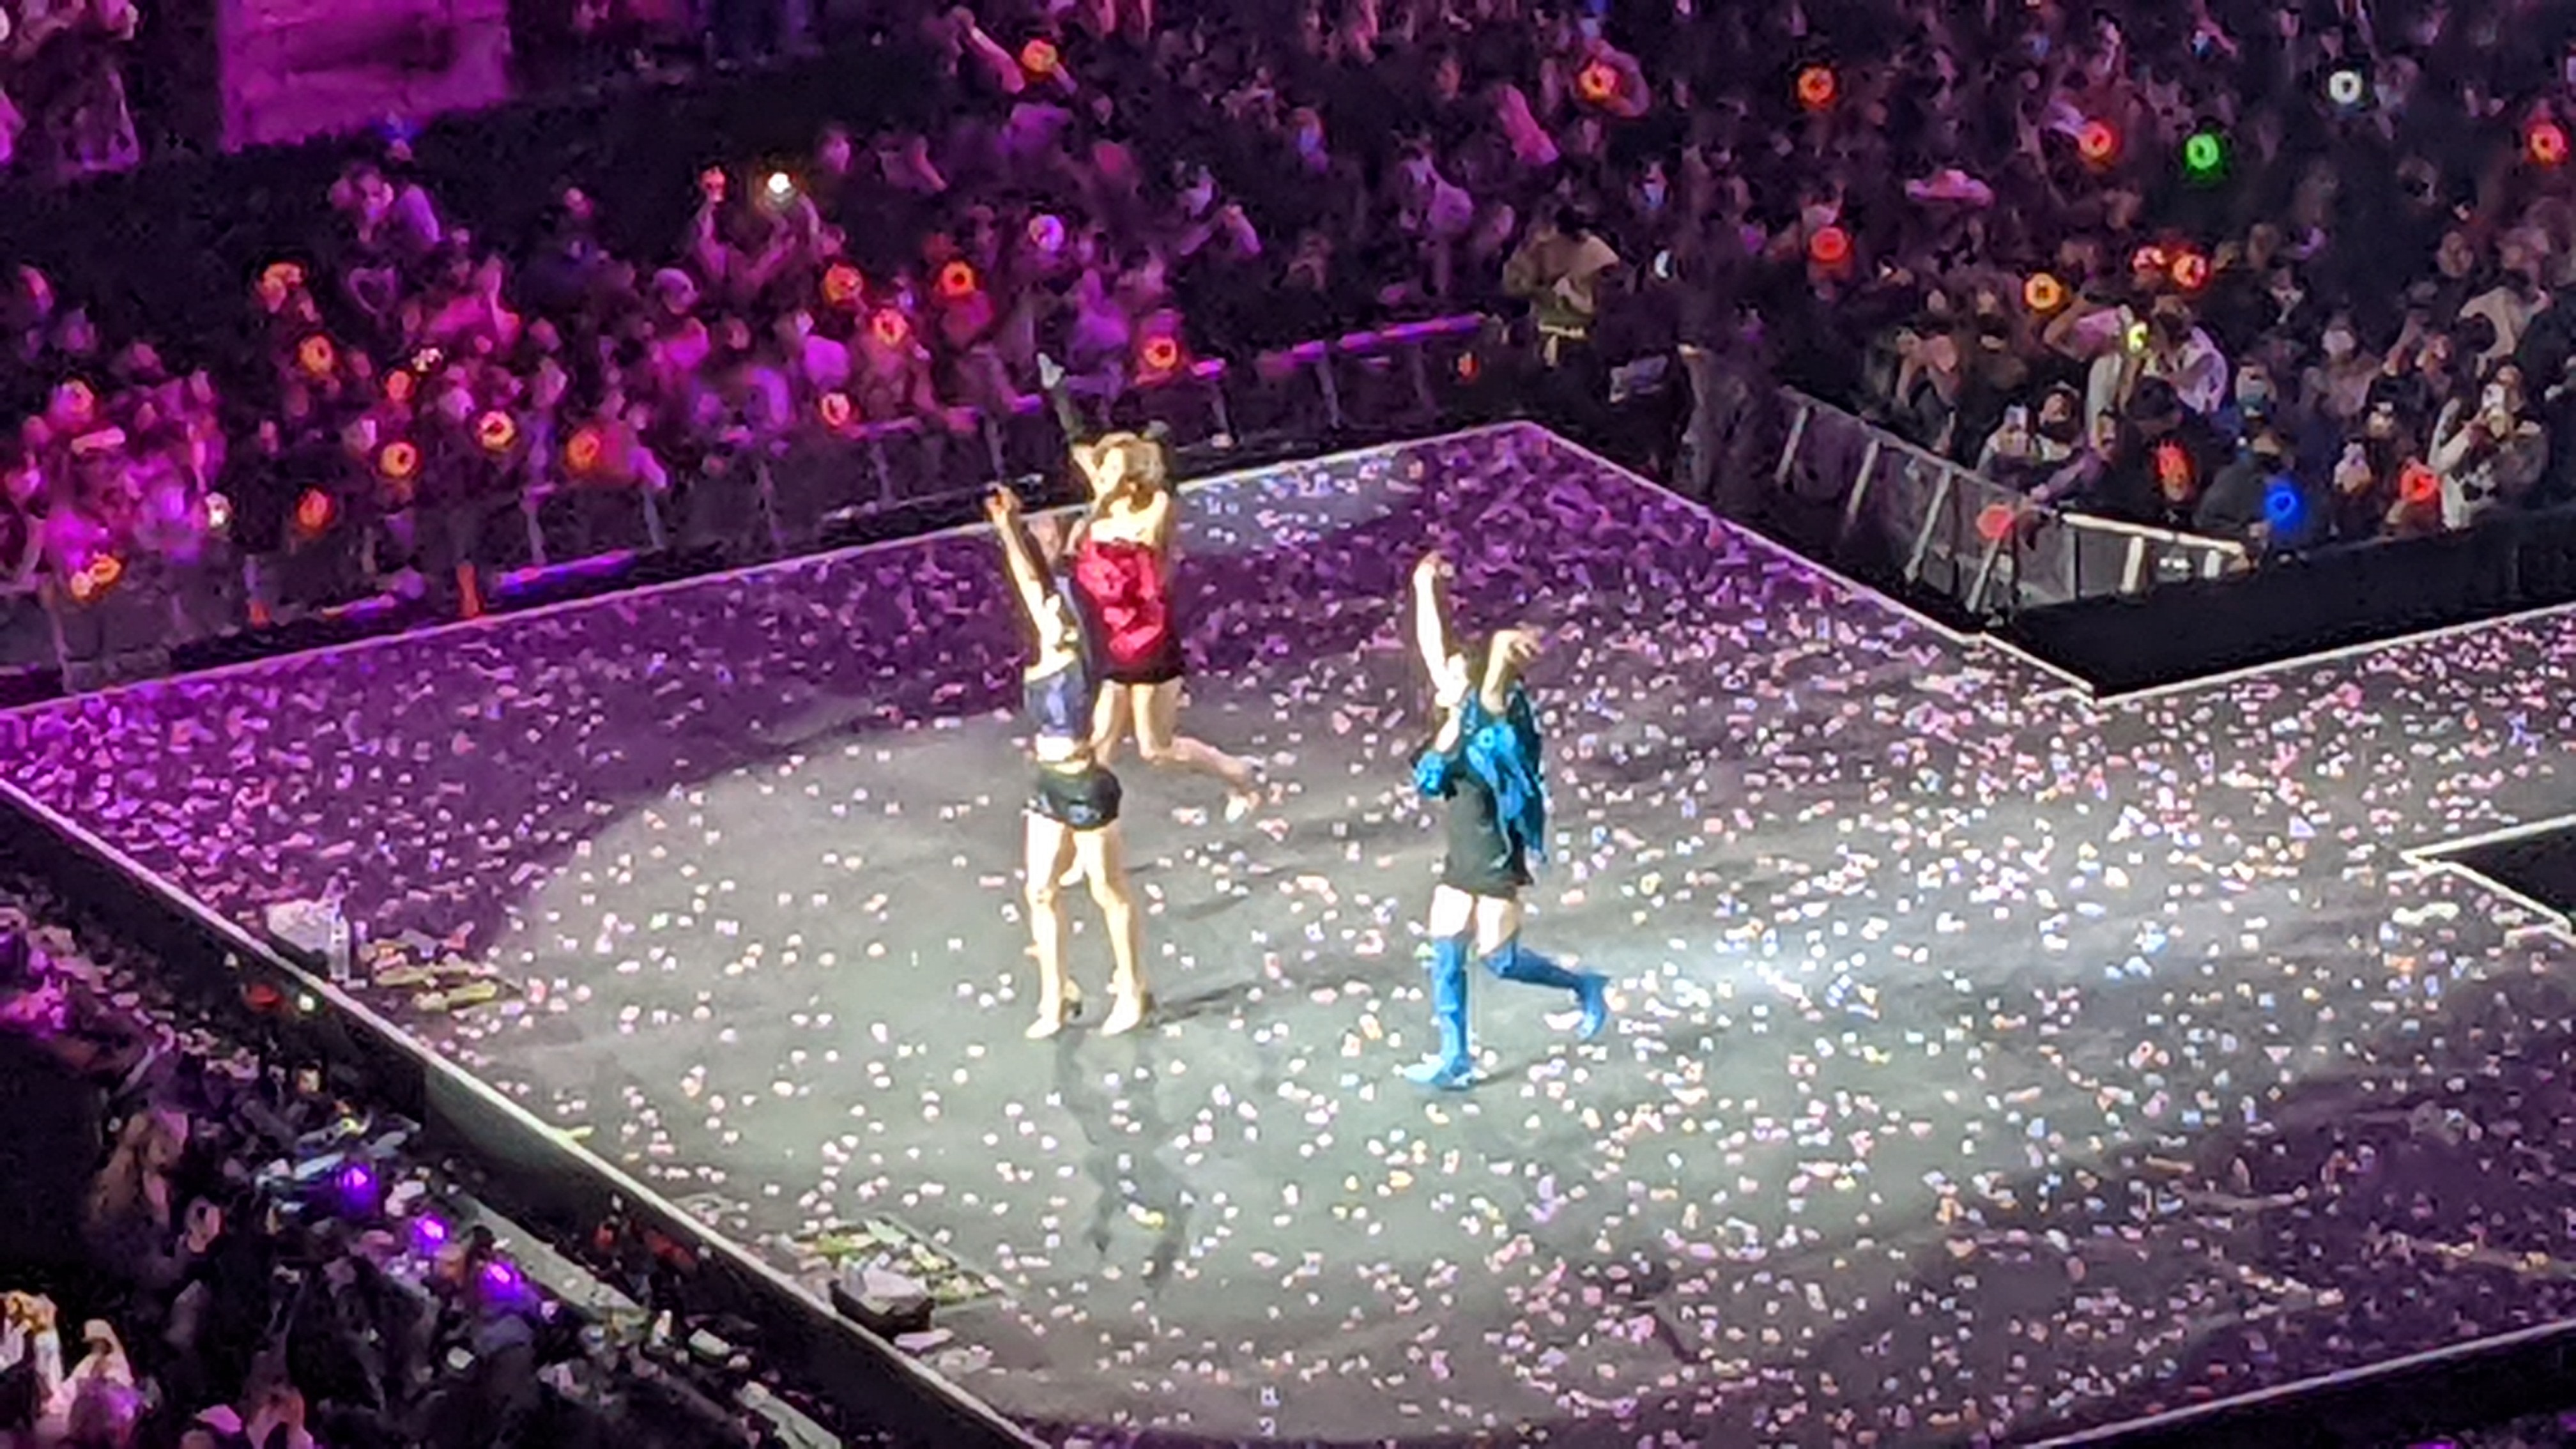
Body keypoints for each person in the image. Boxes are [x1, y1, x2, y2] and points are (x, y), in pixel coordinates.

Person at [1401, 550, 1607, 1091]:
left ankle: (1583, 985)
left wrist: (1497, 653)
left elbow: (1491, 689)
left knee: (1499, 959)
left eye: (1455, 673)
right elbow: (1433, 646)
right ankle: (1455, 1057)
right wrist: (1424, 586)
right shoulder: (1453, 712)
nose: (1443, 674)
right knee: (1445, 947)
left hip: (1493, 854)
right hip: (1461, 852)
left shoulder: (1488, 722)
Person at [984, 486, 1150, 1038]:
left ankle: (1133, 989)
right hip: (1049, 782)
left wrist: (1012, 532)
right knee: (1040, 890)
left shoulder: (1074, 650)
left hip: (1083, 785)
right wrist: (1011, 531)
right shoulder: (1050, 640)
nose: (1045, 609)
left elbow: (1033, 583)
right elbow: (1031, 584)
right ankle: (1056, 996)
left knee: (1108, 891)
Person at [1061, 427, 1262, 820]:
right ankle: (1082, 828)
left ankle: (1236, 774)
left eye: (1114, 470)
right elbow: (1073, 552)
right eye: (1103, 469)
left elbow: (1146, 543)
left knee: (1156, 748)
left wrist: (1103, 499)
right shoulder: (1094, 518)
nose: (1103, 476)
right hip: (1113, 642)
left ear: (1132, 479)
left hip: (1149, 642)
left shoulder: (1155, 507)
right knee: (1100, 744)